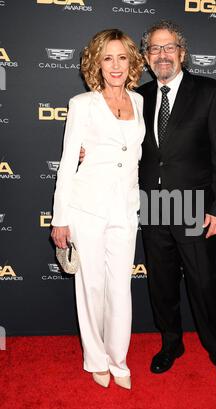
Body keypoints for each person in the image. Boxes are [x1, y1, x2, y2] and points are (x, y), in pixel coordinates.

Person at [136, 20, 216, 389]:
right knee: (161, 284)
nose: (162, 55)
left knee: (203, 283)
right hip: (152, 202)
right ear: (146, 58)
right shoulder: (139, 97)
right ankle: (171, 343)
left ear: (182, 53)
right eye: (154, 49)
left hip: (195, 204)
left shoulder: (211, 92)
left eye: (169, 48)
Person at [51, 29, 145, 390]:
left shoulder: (139, 103)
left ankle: (118, 357)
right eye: (108, 57)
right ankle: (95, 358)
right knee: (90, 287)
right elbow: (66, 163)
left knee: (120, 288)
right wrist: (61, 218)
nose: (116, 65)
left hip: (126, 208)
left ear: (131, 62)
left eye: (122, 57)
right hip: (86, 208)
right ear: (97, 63)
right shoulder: (82, 104)